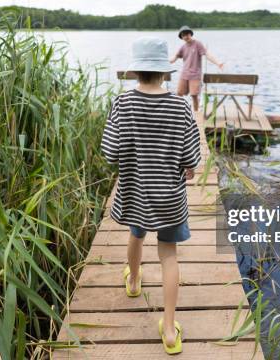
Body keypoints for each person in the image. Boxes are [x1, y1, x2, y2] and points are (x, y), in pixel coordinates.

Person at [100, 36, 202, 355]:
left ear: (135, 72)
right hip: (169, 196)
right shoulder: (179, 105)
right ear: (164, 72)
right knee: (168, 255)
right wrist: (187, 167)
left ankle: (132, 283)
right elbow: (191, 156)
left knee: (136, 234)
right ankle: (170, 330)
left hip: (135, 192)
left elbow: (109, 152)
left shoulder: (123, 103)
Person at [169, 25, 224, 112]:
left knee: (194, 95)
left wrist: (218, 63)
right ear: (181, 37)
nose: (185, 36)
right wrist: (167, 62)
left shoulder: (197, 44)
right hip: (184, 74)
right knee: (179, 94)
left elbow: (207, 54)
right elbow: (174, 57)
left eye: (187, 34)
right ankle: (179, 111)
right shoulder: (183, 47)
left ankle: (196, 112)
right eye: (183, 35)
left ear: (190, 34)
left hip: (195, 75)